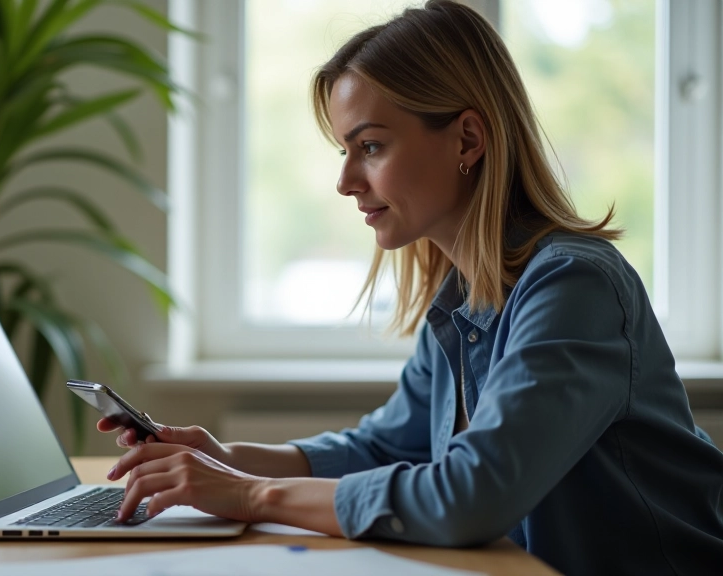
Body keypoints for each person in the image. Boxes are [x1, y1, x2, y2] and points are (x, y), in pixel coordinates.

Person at [98, 1, 723, 573]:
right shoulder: (463, 298)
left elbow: (471, 496)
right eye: (345, 151)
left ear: (468, 139)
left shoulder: (574, 286)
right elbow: (384, 446)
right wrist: (228, 457)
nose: (345, 181)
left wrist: (249, 495)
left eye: (369, 146)